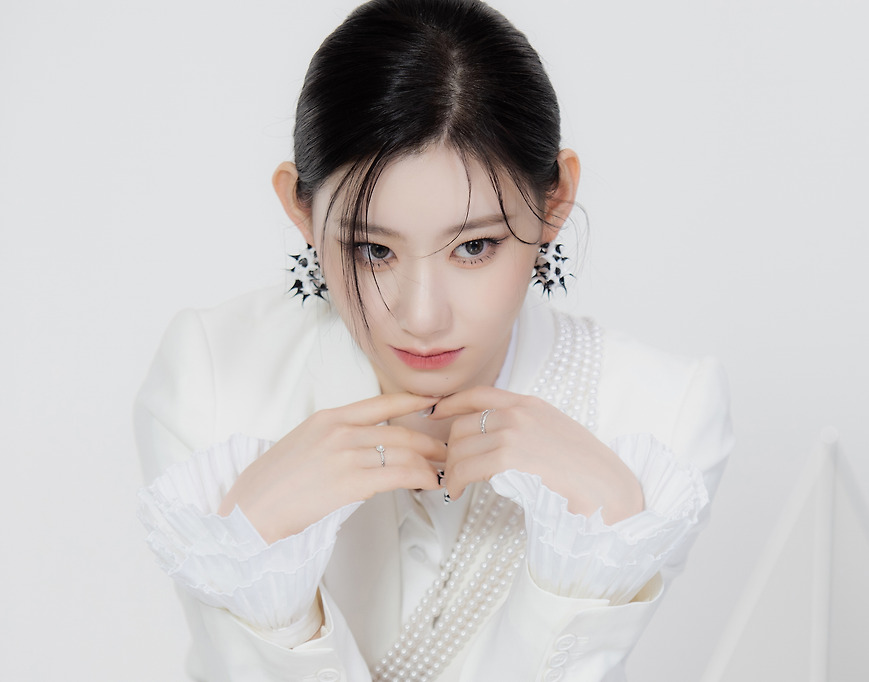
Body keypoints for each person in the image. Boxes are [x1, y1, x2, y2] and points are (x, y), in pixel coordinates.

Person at [135, 1, 733, 680]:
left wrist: (599, 544)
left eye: (474, 246)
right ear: (301, 208)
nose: (421, 317)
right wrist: (256, 555)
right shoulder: (213, 375)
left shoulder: (660, 417)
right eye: (372, 250)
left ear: (555, 200)